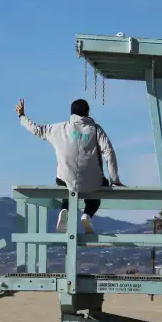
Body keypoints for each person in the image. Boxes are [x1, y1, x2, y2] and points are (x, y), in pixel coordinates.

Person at [15, 97, 124, 233]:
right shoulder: (96, 130)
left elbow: (36, 129)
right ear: (87, 113)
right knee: (96, 195)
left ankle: (65, 209)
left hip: (65, 180)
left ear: (71, 113)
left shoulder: (58, 128)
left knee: (66, 185)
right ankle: (87, 215)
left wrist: (22, 116)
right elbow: (109, 152)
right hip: (92, 182)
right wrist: (115, 179)